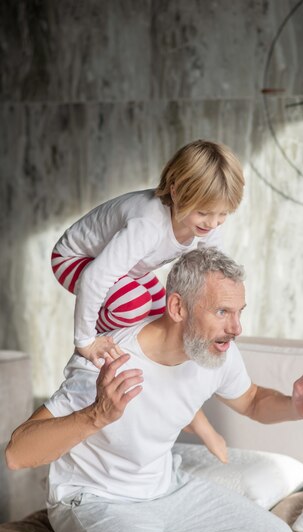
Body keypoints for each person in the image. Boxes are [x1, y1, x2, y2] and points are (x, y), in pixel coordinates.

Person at [6, 247, 303, 532]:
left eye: (239, 313)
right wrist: (96, 414)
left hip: (167, 489)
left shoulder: (216, 353)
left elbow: (252, 400)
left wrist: (295, 406)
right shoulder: (107, 361)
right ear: (177, 307)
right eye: (222, 311)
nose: (236, 328)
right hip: (95, 500)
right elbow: (17, 454)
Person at [51, 139, 244, 463]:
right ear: (176, 188)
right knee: (132, 307)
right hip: (78, 259)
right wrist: (85, 340)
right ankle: (94, 368)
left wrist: (217, 314)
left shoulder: (204, 225)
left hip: (130, 271)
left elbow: (214, 273)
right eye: (204, 213)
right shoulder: (147, 224)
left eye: (222, 215)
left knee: (173, 320)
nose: (212, 223)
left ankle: (191, 415)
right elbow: (97, 278)